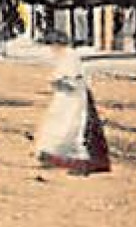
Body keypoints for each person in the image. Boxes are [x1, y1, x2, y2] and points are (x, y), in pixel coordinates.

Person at [35, 42, 111, 175]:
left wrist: (62, 82)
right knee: (61, 126)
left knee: (76, 128)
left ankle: (81, 161)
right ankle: (59, 155)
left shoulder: (71, 58)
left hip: (76, 99)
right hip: (67, 99)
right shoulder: (67, 58)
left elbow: (73, 79)